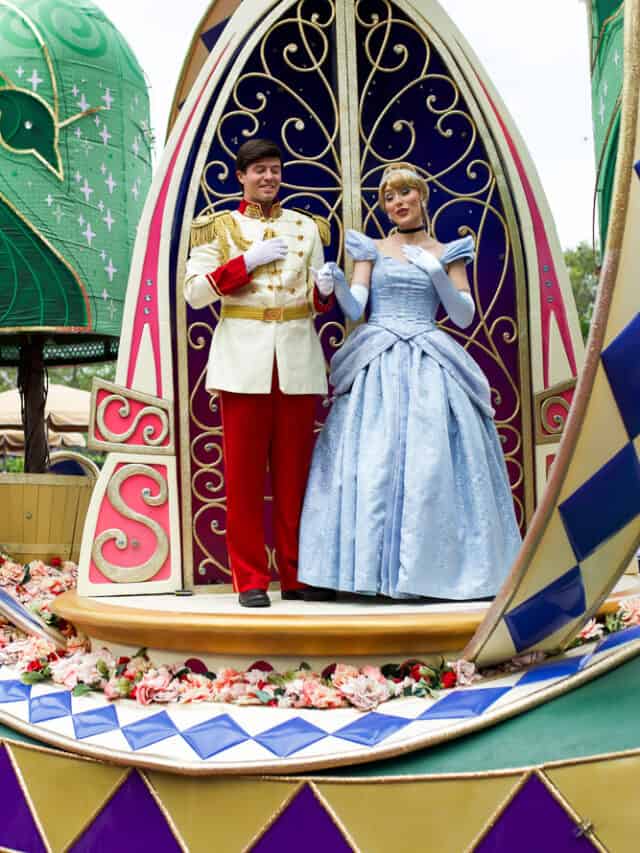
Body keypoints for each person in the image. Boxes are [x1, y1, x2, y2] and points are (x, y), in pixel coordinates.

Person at [298, 162, 521, 600]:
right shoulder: (371, 248)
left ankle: (426, 573)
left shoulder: (448, 250)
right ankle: (364, 575)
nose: (398, 203)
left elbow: (463, 315)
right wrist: (338, 284)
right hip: (377, 352)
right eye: (389, 197)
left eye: (405, 194)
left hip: (428, 355)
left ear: (422, 196)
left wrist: (436, 271)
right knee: (370, 462)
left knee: (430, 461)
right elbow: (356, 307)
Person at [183, 139, 334, 607]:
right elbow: (194, 294)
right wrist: (243, 265)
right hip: (243, 362)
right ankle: (249, 579)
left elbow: (311, 300)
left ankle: (295, 574)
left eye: (274, 170)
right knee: (245, 478)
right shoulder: (216, 228)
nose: (268, 177)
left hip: (297, 358)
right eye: (259, 170)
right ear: (241, 176)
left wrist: (323, 293)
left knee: (295, 478)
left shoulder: (306, 227)